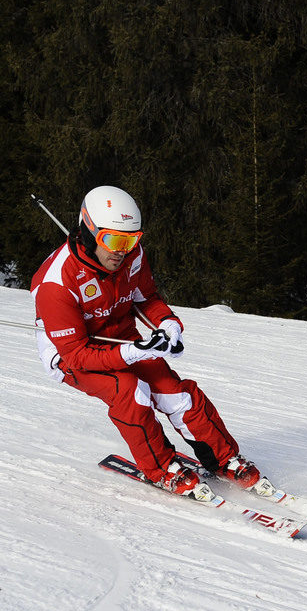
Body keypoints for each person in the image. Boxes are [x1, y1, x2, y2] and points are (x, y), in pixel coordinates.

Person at [30, 185, 260, 497]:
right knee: (130, 391)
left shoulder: (131, 256)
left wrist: (168, 324)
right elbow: (77, 356)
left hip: (120, 337)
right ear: (89, 231)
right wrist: (132, 351)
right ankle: (161, 469)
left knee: (175, 393)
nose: (121, 250)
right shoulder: (55, 284)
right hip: (70, 353)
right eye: (113, 239)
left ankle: (223, 459)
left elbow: (145, 297)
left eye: (131, 239)